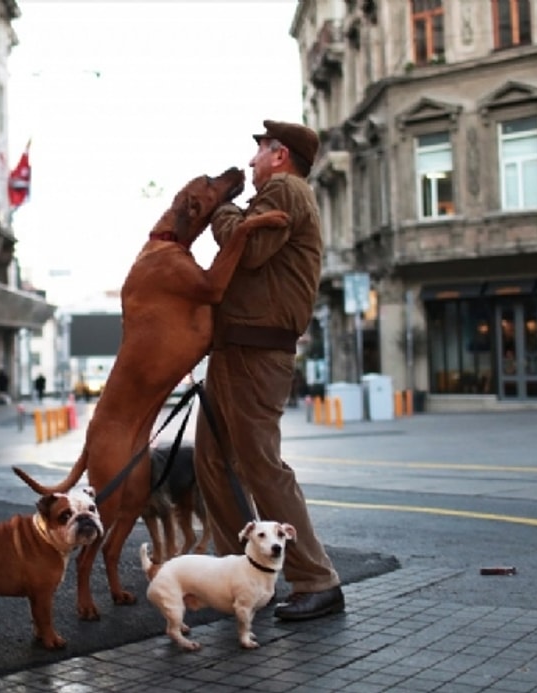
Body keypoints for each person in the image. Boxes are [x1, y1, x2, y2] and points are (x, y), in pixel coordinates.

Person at [193, 120, 344, 621]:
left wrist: (222, 208)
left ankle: (316, 579)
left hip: (257, 352)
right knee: (213, 463)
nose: (252, 161)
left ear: (279, 155)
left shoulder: (285, 188)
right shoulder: (283, 189)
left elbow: (249, 249)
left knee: (260, 464)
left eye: (258, 152)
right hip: (236, 348)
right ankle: (246, 575)